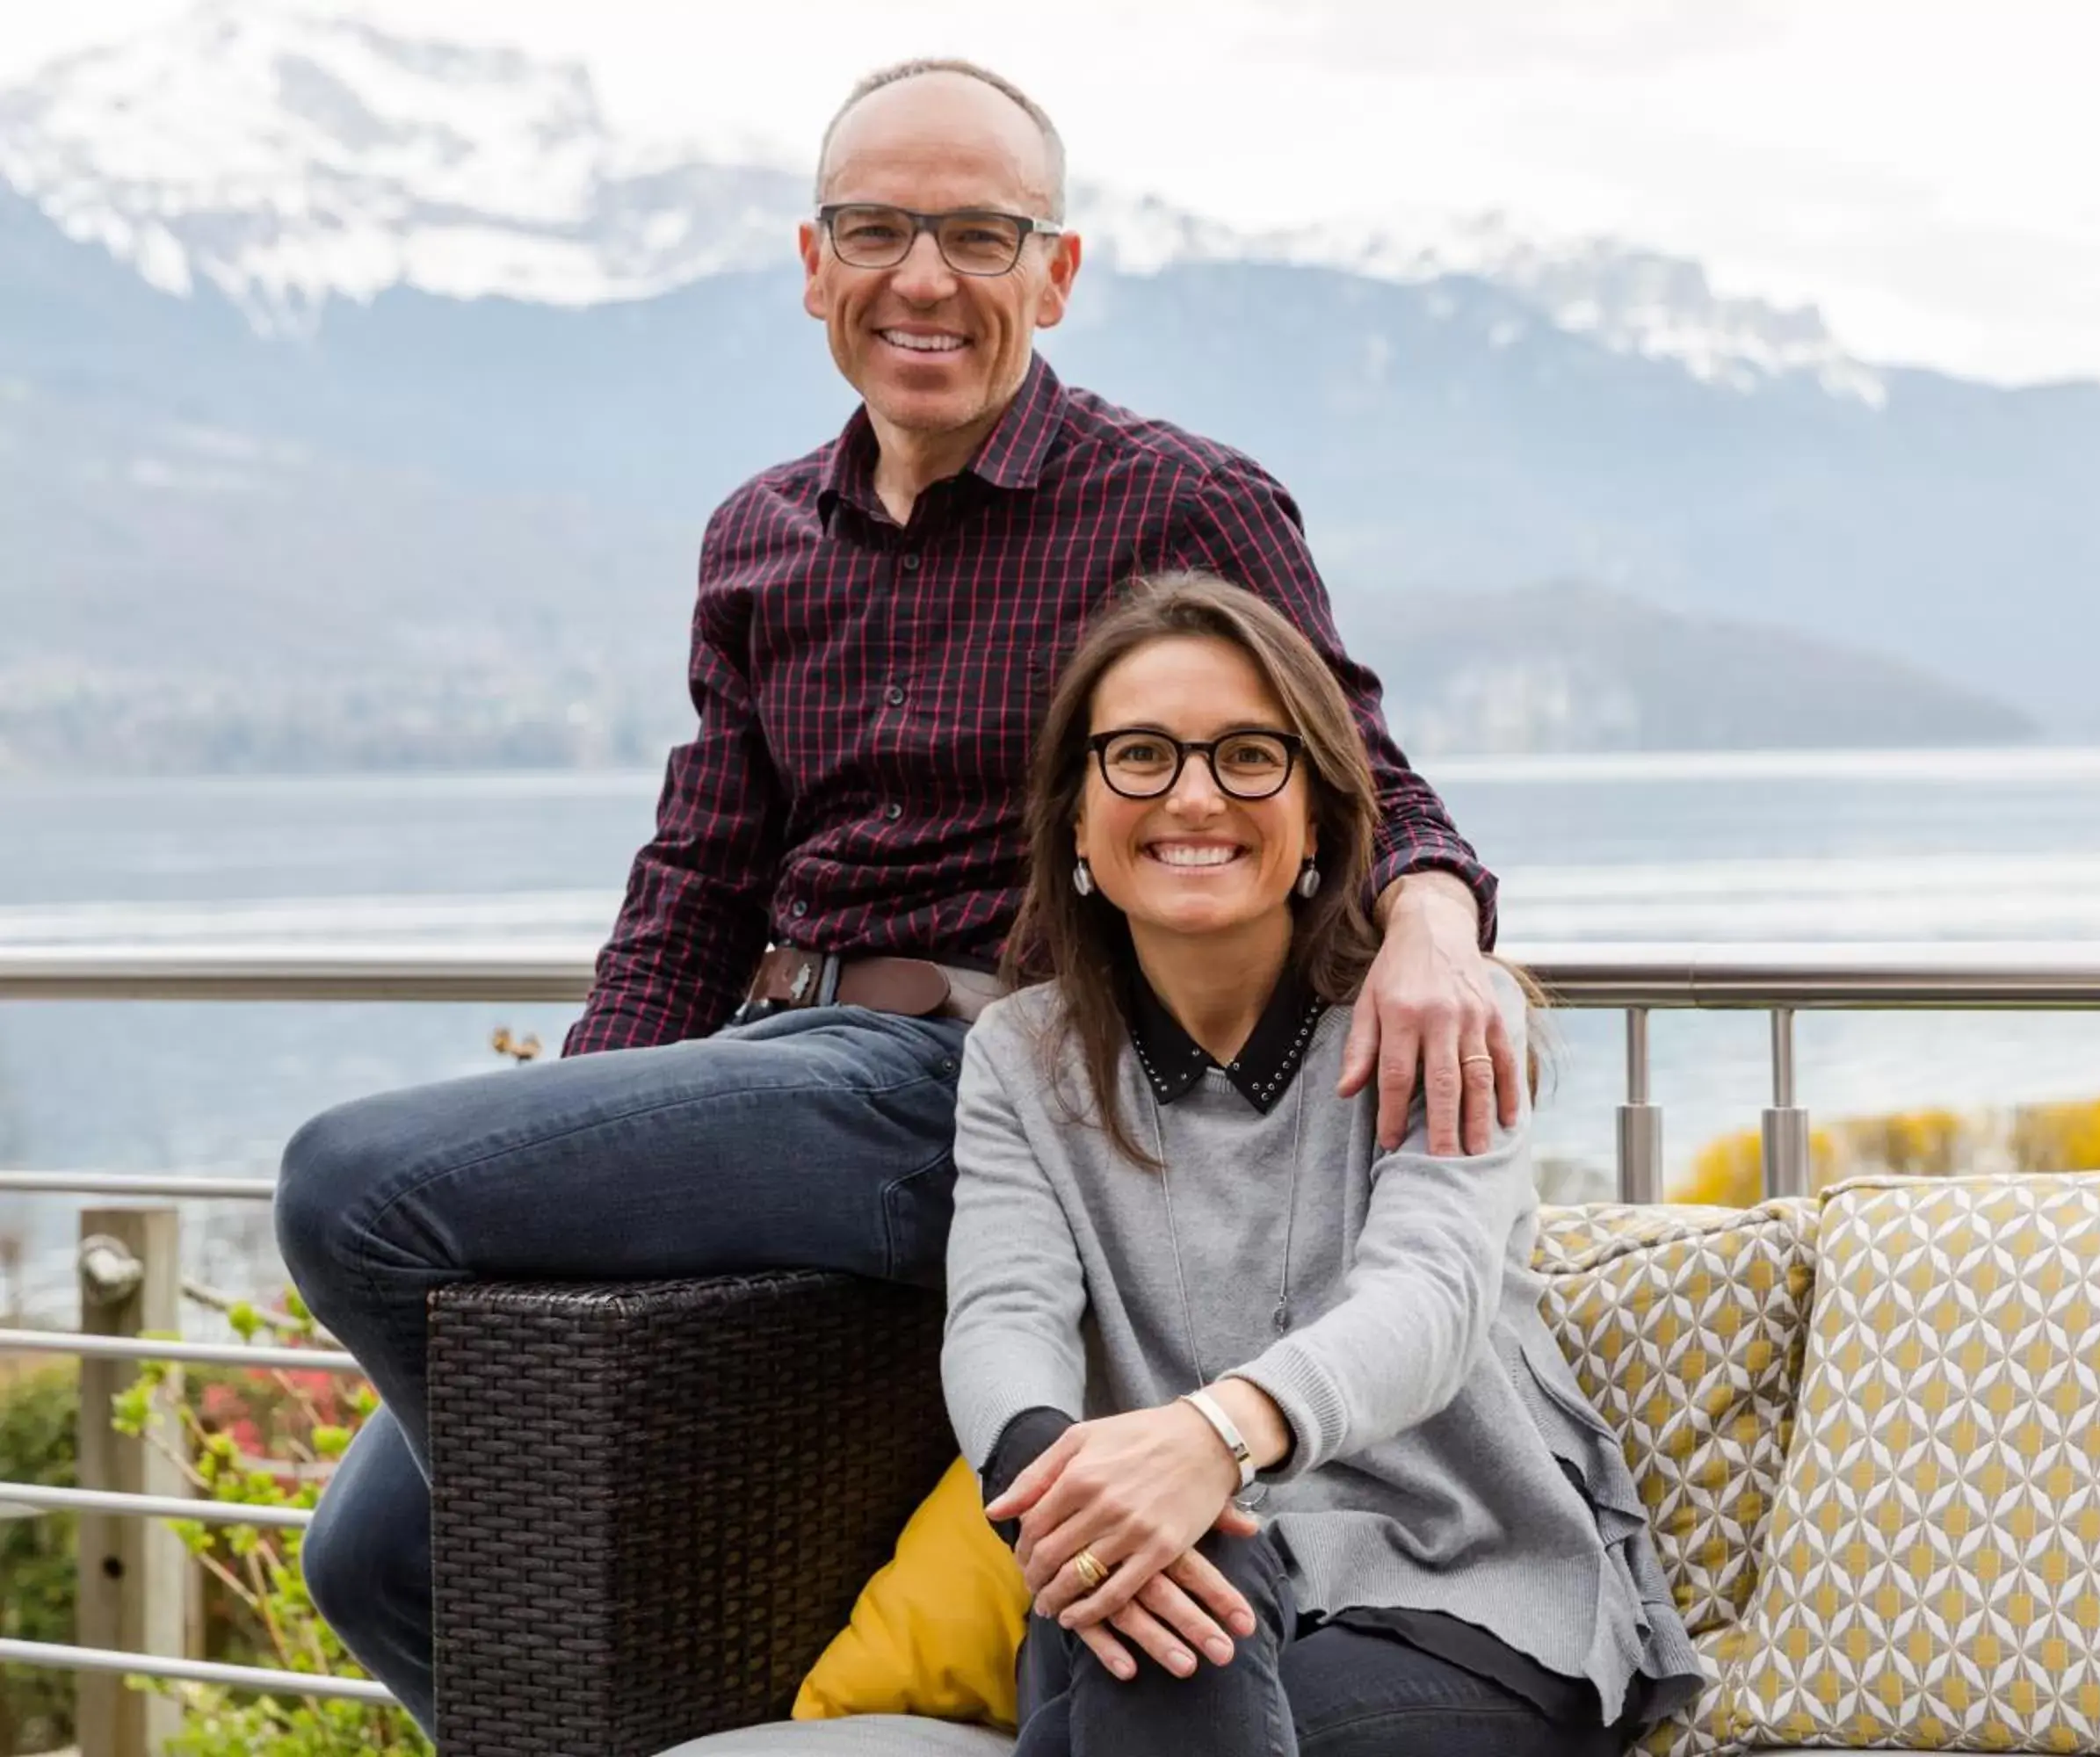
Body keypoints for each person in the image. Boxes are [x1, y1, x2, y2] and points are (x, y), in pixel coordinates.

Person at [272, 60, 1509, 1734]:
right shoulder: (758, 535)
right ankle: (597, 1501)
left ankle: (583, 1482)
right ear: (813, 262)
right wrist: (574, 1145)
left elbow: (1358, 773)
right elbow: (694, 885)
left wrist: (1437, 919)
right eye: (877, 230)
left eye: (980, 236)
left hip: (975, 1086)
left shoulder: (1176, 501)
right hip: (768, 1073)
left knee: (346, 1183)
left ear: (1053, 275)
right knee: (377, 1560)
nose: (923, 277)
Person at [943, 573, 1698, 1754]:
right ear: (1076, 817)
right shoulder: (1023, 1057)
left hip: (1454, 1591)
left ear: (1318, 816)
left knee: (1163, 1650)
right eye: (1140, 755)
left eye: (1249, 756)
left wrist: (1213, 1440)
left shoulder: (1434, 1014)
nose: (1194, 797)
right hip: (1154, 1558)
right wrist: (1064, 1483)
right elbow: (1002, 1312)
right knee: (1172, 1612)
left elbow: (1429, 1300)